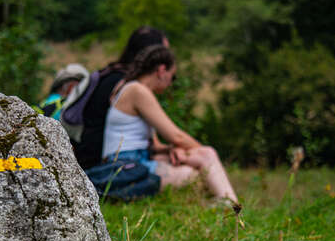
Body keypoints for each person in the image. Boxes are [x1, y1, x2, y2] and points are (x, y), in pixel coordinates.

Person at [102, 45, 238, 204]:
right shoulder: (138, 91)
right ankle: (231, 207)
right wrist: (200, 151)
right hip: (126, 165)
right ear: (161, 70)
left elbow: (154, 144)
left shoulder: (128, 87)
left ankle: (224, 204)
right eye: (172, 77)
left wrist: (171, 149)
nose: (171, 84)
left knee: (200, 170)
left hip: (132, 159)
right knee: (200, 169)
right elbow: (176, 136)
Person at [73, 26, 169, 170]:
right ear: (153, 54)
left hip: (84, 157)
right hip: (104, 165)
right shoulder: (131, 86)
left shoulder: (108, 74)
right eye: (165, 52)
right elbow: (156, 142)